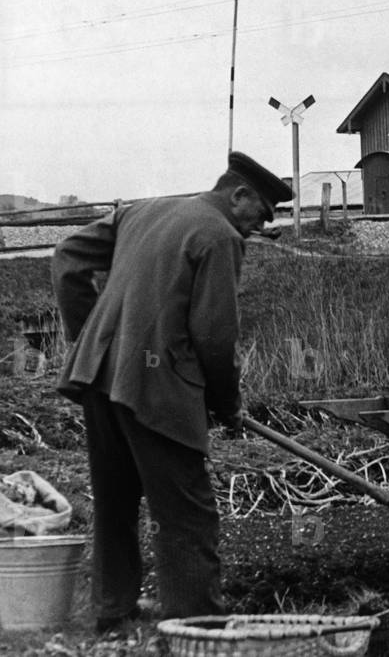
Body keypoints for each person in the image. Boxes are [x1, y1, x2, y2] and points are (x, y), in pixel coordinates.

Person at [51, 152, 292, 633]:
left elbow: (66, 259)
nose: (260, 226)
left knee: (115, 498)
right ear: (239, 194)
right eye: (261, 214)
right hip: (156, 389)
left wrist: (92, 338)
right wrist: (227, 404)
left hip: (98, 378)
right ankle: (195, 622)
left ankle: (113, 610)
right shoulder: (219, 235)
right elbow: (214, 336)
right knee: (186, 512)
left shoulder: (141, 210)